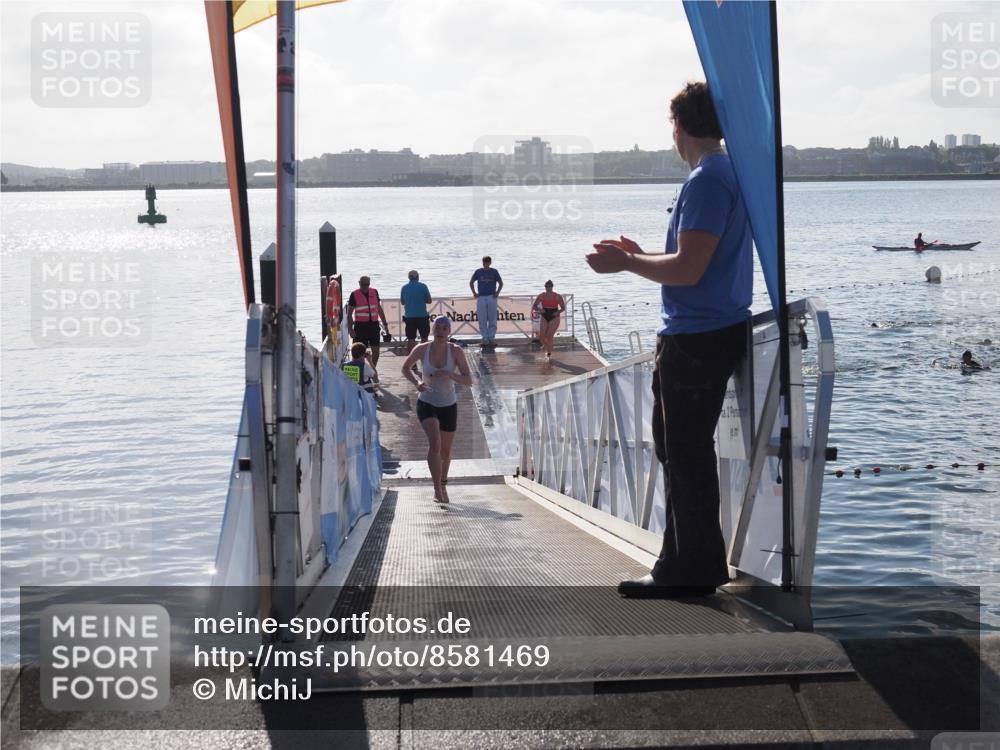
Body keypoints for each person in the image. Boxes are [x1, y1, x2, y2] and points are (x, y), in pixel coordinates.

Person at [585, 81, 752, 598]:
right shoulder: (727, 173)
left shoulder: (705, 180)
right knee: (681, 450)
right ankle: (684, 562)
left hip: (697, 337)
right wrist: (641, 254)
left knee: (684, 453)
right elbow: (694, 261)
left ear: (678, 126)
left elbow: (688, 269)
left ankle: (689, 568)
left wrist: (627, 263)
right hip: (713, 329)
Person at [401, 316, 473, 503]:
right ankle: (436, 490)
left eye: (444, 329)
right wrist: (417, 382)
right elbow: (405, 368)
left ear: (449, 332)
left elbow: (468, 380)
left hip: (448, 404)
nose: (440, 332)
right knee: (435, 443)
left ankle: (443, 484)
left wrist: (450, 374)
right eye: (437, 328)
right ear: (433, 331)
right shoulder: (422, 349)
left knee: (446, 452)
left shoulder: (455, 351)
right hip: (427, 402)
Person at [346, 276, 390, 367]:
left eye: (367, 284)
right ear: (359, 283)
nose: (365, 286)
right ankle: (360, 370)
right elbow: (349, 314)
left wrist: (385, 324)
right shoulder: (354, 294)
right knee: (358, 352)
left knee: (376, 350)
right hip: (360, 326)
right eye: (363, 284)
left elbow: (379, 309)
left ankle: (372, 370)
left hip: (374, 325)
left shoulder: (374, 292)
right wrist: (350, 330)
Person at [469, 256, 503, 347]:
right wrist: (474, 292)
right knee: (482, 318)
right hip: (481, 297)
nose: (486, 263)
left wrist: (497, 292)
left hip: (492, 296)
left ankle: (491, 338)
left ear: (490, 262)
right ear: (482, 262)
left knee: (492, 318)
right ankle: (485, 338)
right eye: (484, 262)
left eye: (487, 262)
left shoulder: (494, 271)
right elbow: (471, 282)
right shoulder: (478, 271)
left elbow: (501, 283)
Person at [531, 280, 566, 360]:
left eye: (549, 286)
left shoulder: (557, 296)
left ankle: (549, 353)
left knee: (549, 336)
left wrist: (558, 312)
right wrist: (540, 310)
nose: (548, 288)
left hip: (554, 315)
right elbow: (535, 306)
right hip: (544, 314)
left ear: (552, 287)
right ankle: (546, 347)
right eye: (546, 286)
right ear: (545, 287)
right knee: (541, 336)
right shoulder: (542, 295)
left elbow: (563, 308)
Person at [400, 270, 432, 351]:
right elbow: (429, 300)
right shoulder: (423, 286)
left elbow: (403, 302)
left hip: (409, 317)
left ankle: (412, 362)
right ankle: (424, 359)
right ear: (418, 277)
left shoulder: (404, 288)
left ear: (408, 277)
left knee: (411, 339)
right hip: (422, 316)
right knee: (424, 338)